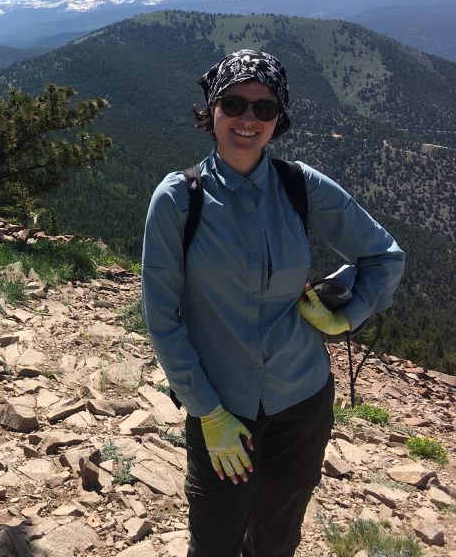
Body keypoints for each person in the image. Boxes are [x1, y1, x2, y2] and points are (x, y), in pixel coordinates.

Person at [141, 49, 405, 557]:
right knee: (215, 543)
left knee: (277, 539)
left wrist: (343, 317)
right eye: (234, 103)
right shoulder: (179, 198)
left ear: (279, 118)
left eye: (265, 109)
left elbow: (384, 256)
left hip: (301, 400)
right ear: (211, 111)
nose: (248, 119)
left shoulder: (299, 185)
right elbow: (162, 317)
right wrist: (206, 411)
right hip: (221, 408)